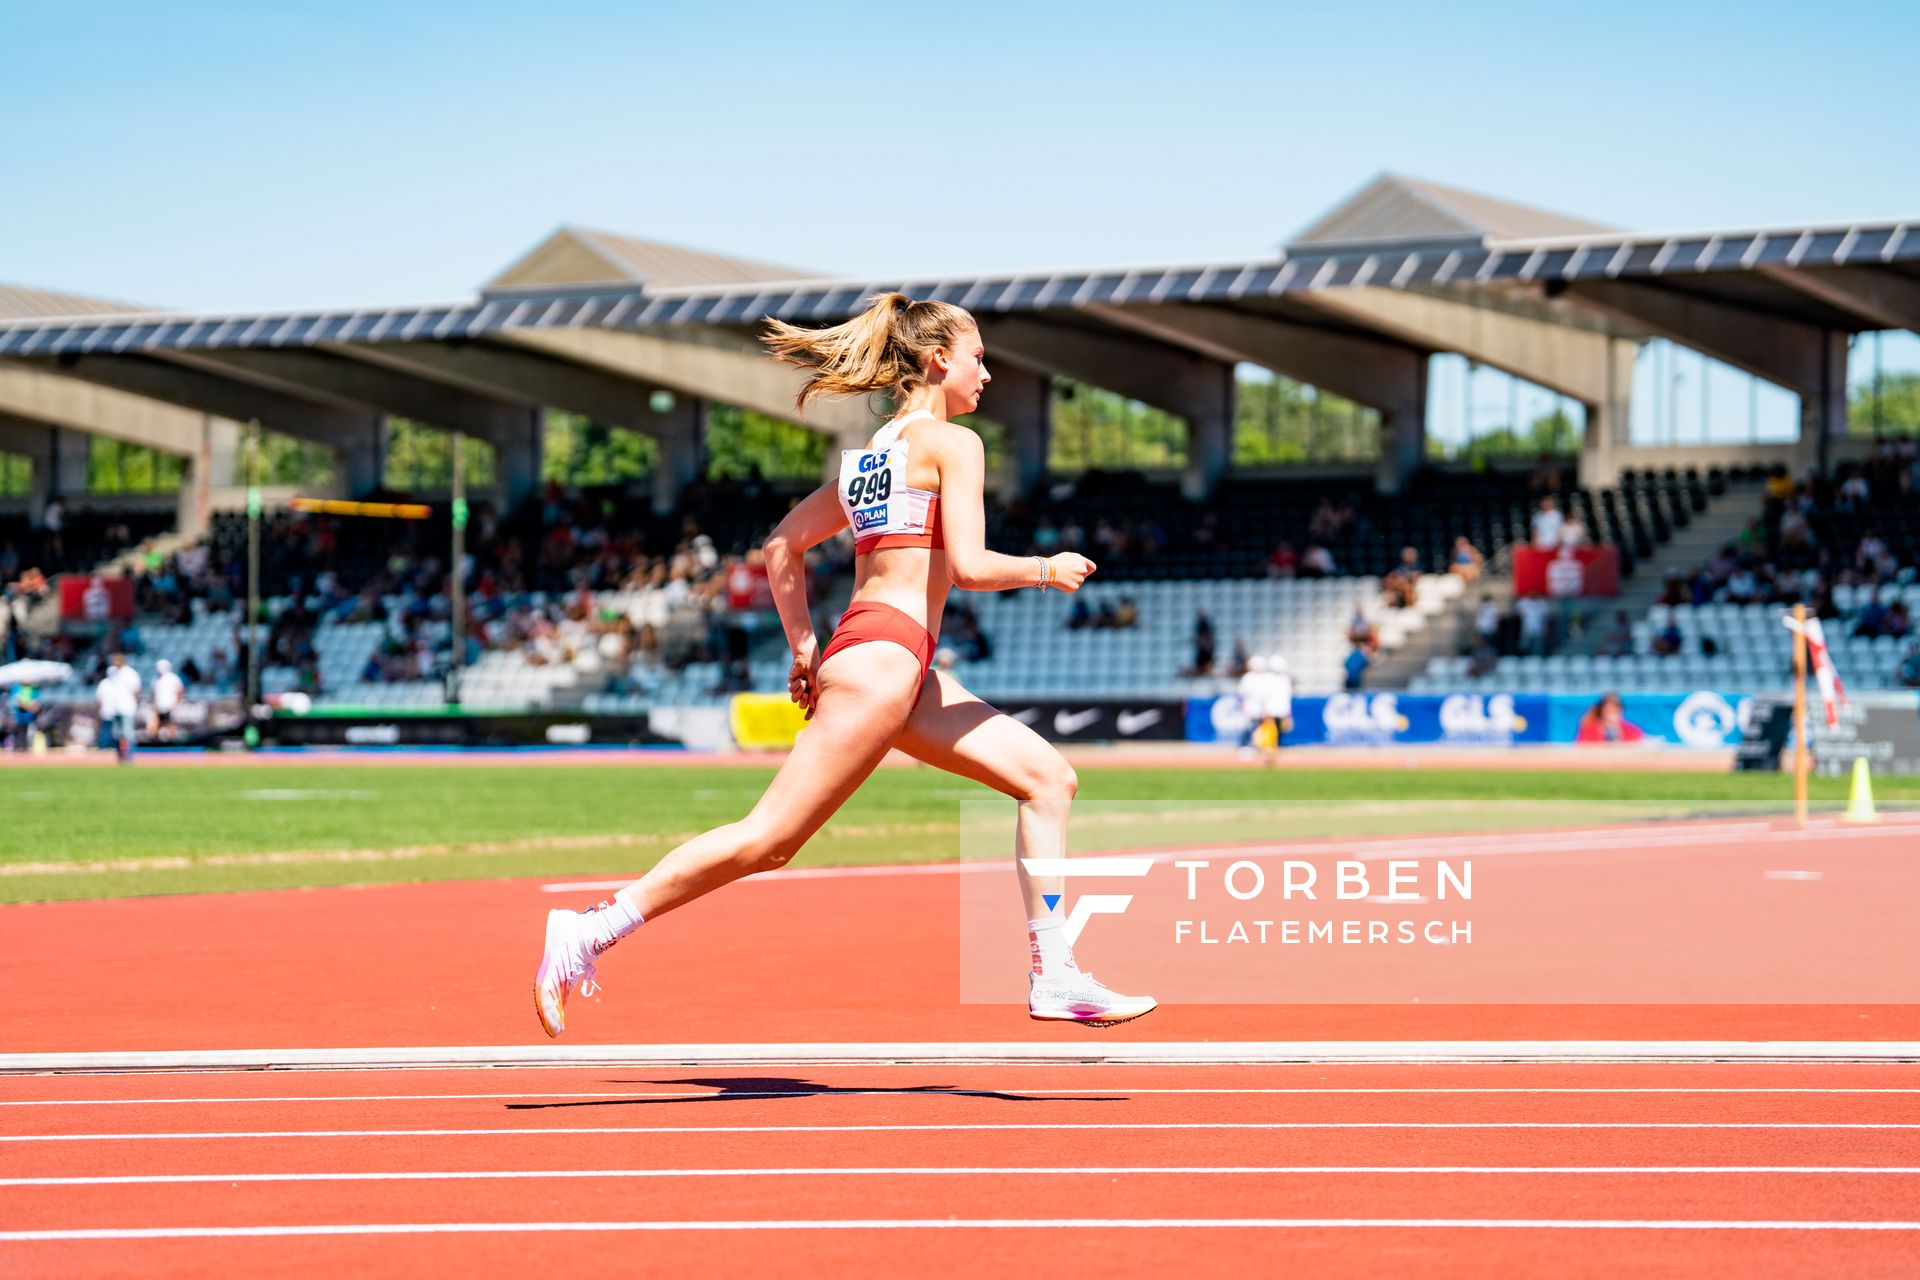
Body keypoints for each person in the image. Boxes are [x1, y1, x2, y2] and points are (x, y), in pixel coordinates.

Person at [532, 292, 1153, 1035]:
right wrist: (1047, 569)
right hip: (885, 662)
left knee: (1048, 779)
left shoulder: (874, 455)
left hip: (890, 662)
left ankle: (1055, 973)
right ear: (938, 359)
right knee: (769, 839)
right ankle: (590, 930)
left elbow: (781, 544)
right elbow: (973, 566)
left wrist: (803, 646)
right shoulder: (954, 445)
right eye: (979, 357)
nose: (987, 374)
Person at [151, 658, 185, 743]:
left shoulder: (173, 678)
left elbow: (180, 691)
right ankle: (156, 744)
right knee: (156, 724)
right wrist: (154, 704)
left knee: (170, 724)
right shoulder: (156, 679)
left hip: (170, 705)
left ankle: (173, 743)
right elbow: (154, 694)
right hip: (159, 706)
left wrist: (176, 703)